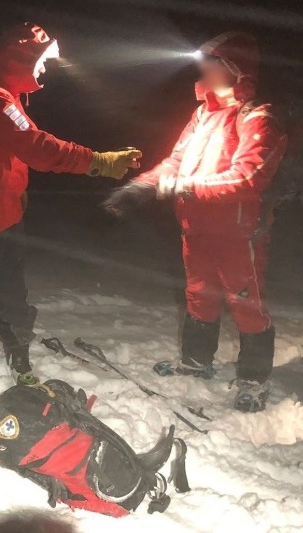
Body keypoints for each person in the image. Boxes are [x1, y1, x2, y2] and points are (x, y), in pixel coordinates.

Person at [0, 22, 142, 383]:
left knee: (13, 293)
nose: (44, 68)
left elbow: (16, 153)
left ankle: (18, 348)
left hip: (6, 215)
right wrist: (98, 162)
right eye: (39, 61)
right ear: (19, 59)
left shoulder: (8, 96)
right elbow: (36, 147)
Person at [105, 31, 287, 412]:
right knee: (198, 294)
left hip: (237, 232)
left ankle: (253, 379)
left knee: (245, 302)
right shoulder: (203, 113)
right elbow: (176, 161)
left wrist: (187, 186)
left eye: (212, 60)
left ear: (234, 68)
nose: (203, 66)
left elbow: (249, 177)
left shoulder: (258, 116)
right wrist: (141, 187)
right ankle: (195, 362)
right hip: (196, 227)